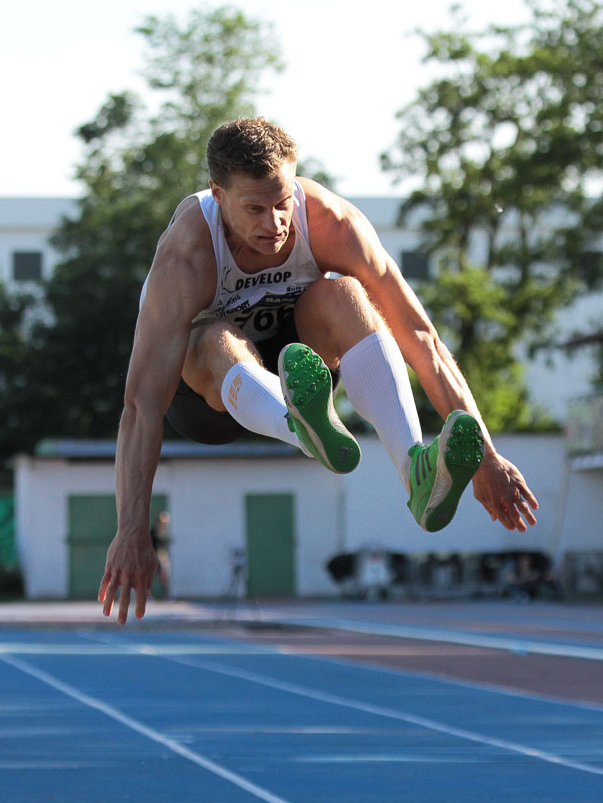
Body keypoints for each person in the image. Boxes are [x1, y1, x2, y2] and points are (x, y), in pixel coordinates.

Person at [99, 117, 538, 624]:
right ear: (218, 195)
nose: (275, 223)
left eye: (283, 201)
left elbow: (420, 335)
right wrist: (130, 527)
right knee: (220, 336)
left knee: (345, 294)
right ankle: (299, 424)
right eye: (254, 209)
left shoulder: (332, 223)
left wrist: (486, 453)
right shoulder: (186, 256)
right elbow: (140, 405)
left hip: (298, 364)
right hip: (211, 394)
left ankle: (415, 467)